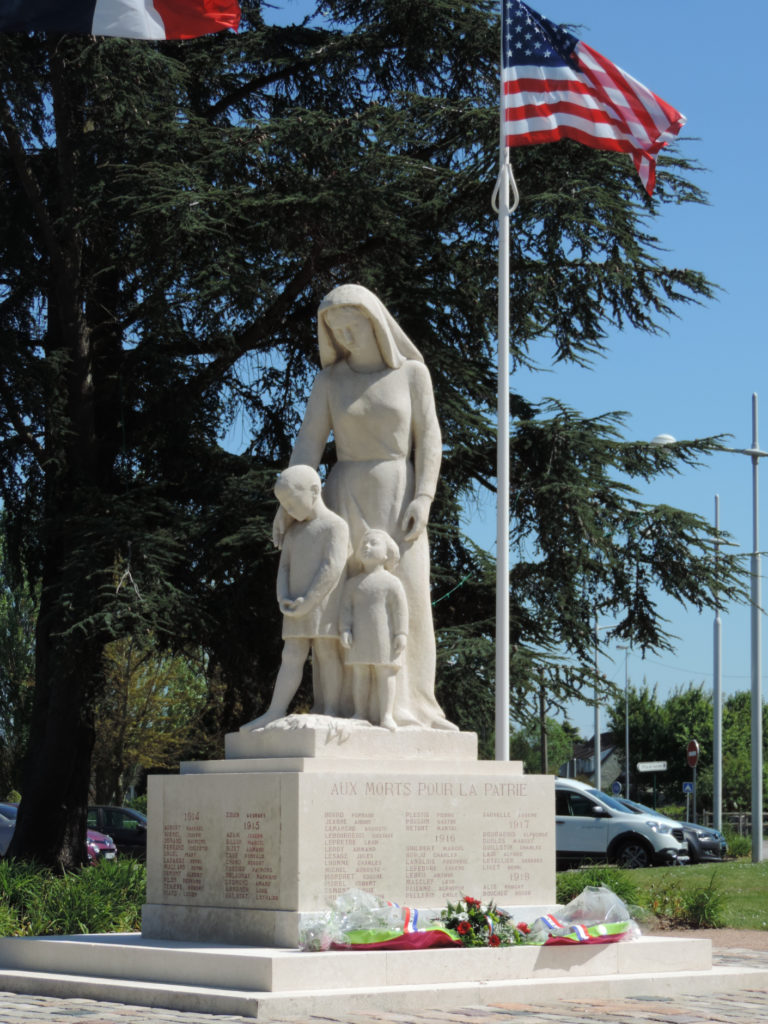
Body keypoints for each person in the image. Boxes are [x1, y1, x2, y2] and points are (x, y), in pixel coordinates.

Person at [274, 283, 456, 731]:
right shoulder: (329, 381)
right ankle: (340, 706)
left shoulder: (412, 374)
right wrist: (287, 506)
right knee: (339, 602)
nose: (346, 338)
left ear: (374, 322)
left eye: (352, 326)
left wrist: (425, 496)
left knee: (408, 595)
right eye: (337, 331)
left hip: (399, 493)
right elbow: (309, 443)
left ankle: (411, 706)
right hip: (342, 493)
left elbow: (429, 436)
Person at [241, 465, 348, 730]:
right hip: (295, 604)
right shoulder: (294, 532)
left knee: (326, 653)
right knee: (291, 655)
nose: (287, 509)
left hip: (323, 603)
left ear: (314, 490)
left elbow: (332, 567)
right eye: (283, 504)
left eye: (291, 500)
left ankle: (332, 710)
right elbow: (285, 568)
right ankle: (275, 710)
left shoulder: (335, 526)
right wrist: (283, 597)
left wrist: (309, 600)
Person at [339, 530, 408, 731]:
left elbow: (399, 609)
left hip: (384, 637)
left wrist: (401, 633)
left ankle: (386, 715)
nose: (366, 547)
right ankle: (360, 712)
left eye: (373, 543)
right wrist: (344, 629)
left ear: (387, 553)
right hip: (359, 637)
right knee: (360, 673)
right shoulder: (352, 584)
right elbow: (345, 609)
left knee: (385, 673)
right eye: (363, 544)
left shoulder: (391, 582)